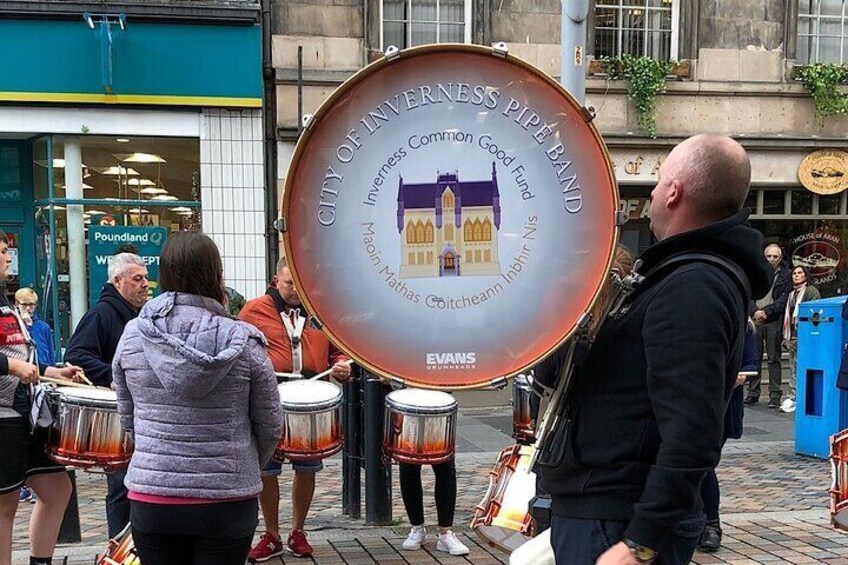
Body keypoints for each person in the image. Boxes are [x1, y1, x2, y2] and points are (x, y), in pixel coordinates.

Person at [538, 134, 772, 565]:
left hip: (618, 520)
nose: (650, 193)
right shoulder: (673, 277)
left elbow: (693, 432)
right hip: (603, 511)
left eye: (658, 179)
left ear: (674, 190)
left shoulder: (693, 286)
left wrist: (639, 543)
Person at [112, 231, 283, 564]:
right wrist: (243, 464)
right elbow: (271, 424)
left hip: (153, 494)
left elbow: (127, 415)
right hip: (227, 498)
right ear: (216, 274)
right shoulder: (244, 342)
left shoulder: (133, 336)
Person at [240, 257, 351, 561]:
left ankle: (298, 531)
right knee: (267, 469)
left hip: (310, 397)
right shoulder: (253, 310)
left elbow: (337, 349)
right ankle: (272, 534)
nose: (294, 291)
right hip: (269, 397)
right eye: (289, 284)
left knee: (307, 467)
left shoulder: (319, 310)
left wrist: (340, 365)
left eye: (299, 284)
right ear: (276, 280)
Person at [0, 229, 82, 565]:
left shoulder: (4, 298)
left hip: (24, 411)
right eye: (3, 251)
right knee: (4, 507)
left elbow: (19, 353)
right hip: (2, 415)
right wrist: (10, 366)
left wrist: (51, 371)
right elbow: (10, 359)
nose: (8, 257)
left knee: (56, 489)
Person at [64, 252, 149, 539]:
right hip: (118, 418)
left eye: (146, 278)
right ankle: (120, 549)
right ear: (117, 281)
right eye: (137, 279)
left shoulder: (138, 315)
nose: (145, 284)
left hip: (140, 413)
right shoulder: (102, 314)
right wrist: (114, 377)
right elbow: (76, 355)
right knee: (121, 488)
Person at [697, 315, 757, 552]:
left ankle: (711, 524)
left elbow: (749, 366)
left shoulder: (745, 327)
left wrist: (736, 376)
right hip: (692, 401)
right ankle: (693, 520)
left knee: (703, 462)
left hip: (722, 404)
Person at [746, 244, 791, 408]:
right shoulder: (755, 272)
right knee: (754, 357)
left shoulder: (786, 275)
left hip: (773, 320)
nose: (772, 259)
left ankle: (774, 395)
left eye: (775, 256)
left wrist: (766, 311)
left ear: (780, 258)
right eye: (769, 256)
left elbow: (784, 299)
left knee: (773, 358)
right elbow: (747, 293)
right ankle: (753, 392)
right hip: (755, 320)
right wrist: (754, 311)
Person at [780, 265, 821, 414]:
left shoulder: (811, 291)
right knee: (793, 369)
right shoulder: (791, 294)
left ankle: (797, 398)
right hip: (792, 336)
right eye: (794, 273)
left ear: (805, 275)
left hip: (804, 336)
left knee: (799, 368)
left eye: (800, 273)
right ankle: (793, 397)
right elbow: (788, 316)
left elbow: (813, 313)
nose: (796, 276)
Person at [15, 288, 55, 367]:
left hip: (44, 368)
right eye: (24, 304)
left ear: (35, 305)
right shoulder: (13, 325)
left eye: (31, 304)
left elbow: (51, 352)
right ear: (17, 304)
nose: (28, 308)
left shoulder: (43, 327)